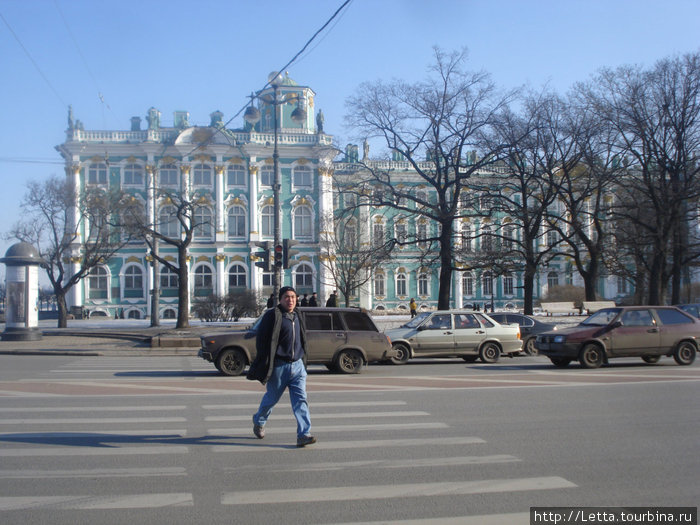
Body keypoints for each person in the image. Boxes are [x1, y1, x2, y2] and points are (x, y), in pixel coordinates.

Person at [248, 286, 316, 448]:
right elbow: (262, 341)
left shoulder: (298, 315)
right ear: (280, 299)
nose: (290, 300)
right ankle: (259, 421)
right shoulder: (272, 316)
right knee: (271, 399)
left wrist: (303, 360)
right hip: (279, 366)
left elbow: (302, 338)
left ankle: (304, 434)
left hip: (297, 366)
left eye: (293, 297)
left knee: (301, 400)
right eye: (286, 297)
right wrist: (265, 361)